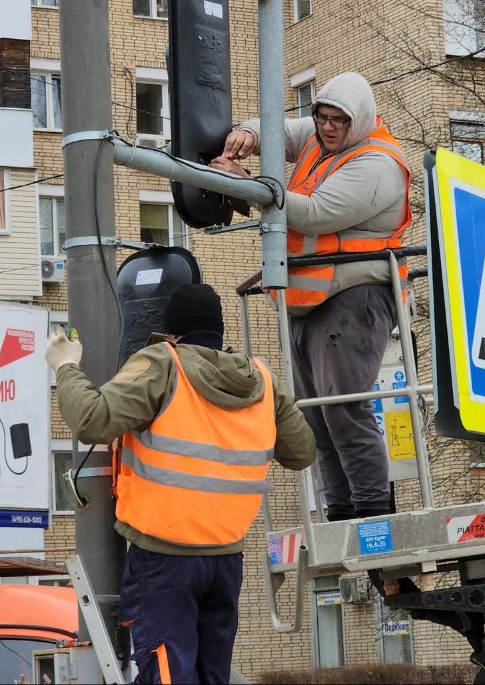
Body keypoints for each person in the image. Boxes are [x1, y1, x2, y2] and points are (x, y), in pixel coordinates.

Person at [44, 283, 315, 685]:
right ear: (219, 333)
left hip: (164, 559)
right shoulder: (259, 380)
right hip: (226, 558)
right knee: (211, 676)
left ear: (172, 335)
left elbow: (93, 421)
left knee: (167, 674)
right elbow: (302, 452)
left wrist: (66, 366)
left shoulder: (163, 364)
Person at [210, 71, 412, 522]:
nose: (327, 128)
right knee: (317, 418)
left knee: (343, 410)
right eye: (321, 117)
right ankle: (341, 512)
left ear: (357, 119)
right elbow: (278, 129)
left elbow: (317, 213)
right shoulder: (320, 140)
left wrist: (247, 185)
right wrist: (247, 132)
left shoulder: (376, 163)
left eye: (337, 120)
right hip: (312, 301)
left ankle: (372, 514)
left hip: (355, 299)